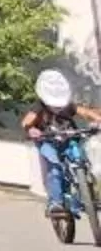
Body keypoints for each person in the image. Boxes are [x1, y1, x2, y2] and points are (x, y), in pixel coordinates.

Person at [22, 69, 99, 215]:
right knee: (55, 168)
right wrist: (32, 130)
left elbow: (86, 113)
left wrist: (97, 120)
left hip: (70, 138)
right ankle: (56, 203)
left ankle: (84, 199)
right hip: (48, 140)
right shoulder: (39, 107)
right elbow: (27, 122)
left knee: (82, 162)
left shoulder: (68, 105)